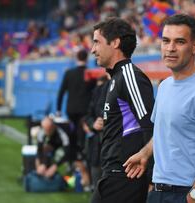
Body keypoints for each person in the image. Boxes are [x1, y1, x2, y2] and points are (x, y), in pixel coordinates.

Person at [124, 14, 195, 203]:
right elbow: (163, 132)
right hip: (158, 191)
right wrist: (145, 154)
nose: (170, 48)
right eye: (166, 41)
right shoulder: (165, 86)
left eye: (179, 42)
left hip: (190, 193)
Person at [90, 17, 155, 203]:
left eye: (97, 42)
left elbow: (150, 127)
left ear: (115, 42)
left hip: (125, 178)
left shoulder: (129, 76)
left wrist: (151, 179)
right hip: (113, 174)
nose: (93, 50)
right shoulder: (116, 78)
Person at [56, 49, 95, 185]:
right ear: (87, 58)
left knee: (71, 140)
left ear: (76, 57)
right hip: (85, 114)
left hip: (71, 112)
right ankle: (83, 169)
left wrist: (58, 111)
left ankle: (73, 166)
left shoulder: (69, 73)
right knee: (83, 141)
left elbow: (61, 92)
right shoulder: (90, 74)